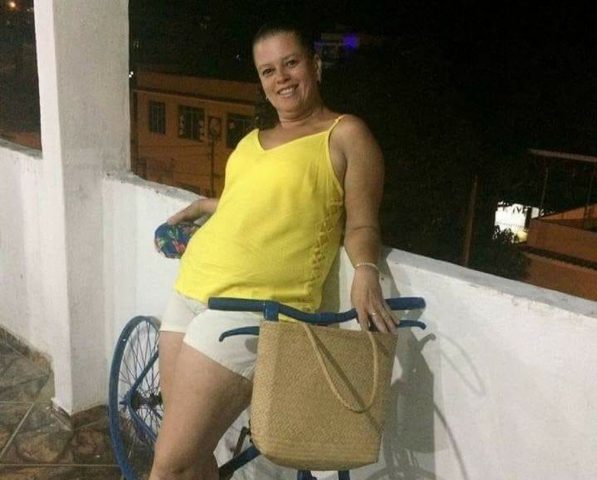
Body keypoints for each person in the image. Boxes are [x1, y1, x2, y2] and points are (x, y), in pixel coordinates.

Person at [149, 22, 398, 480]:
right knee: (192, 455)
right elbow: (253, 203)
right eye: (268, 71)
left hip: (249, 311)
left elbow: (362, 222)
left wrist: (365, 269)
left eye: (290, 63)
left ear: (315, 65)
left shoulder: (345, 135)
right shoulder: (250, 141)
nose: (280, 77)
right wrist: (205, 206)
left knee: (171, 466)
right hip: (191, 288)